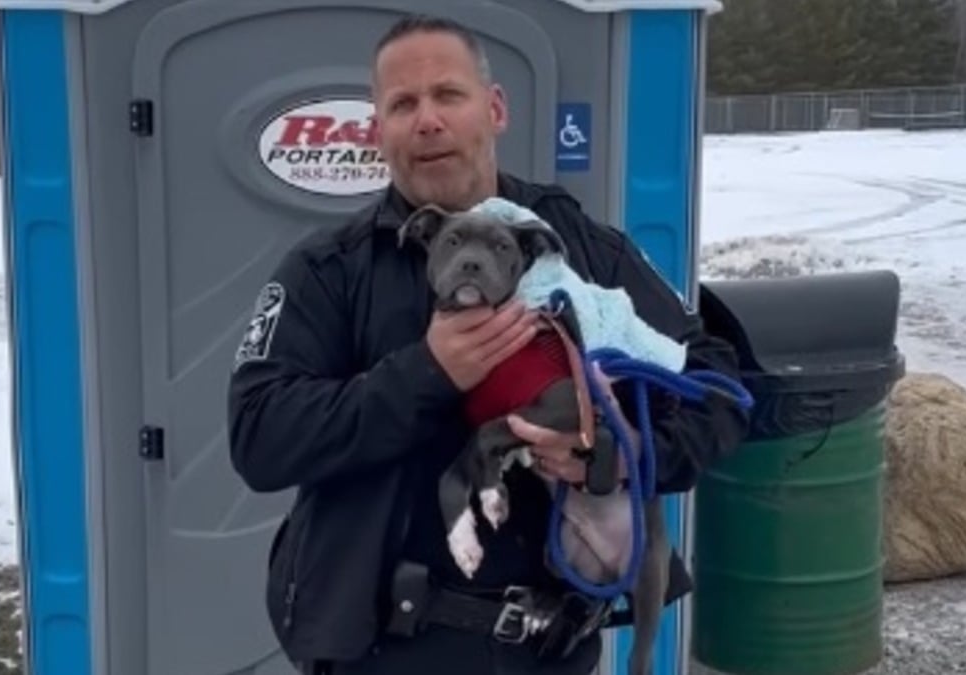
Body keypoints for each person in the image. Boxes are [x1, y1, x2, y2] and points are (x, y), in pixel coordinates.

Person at [227, 13, 749, 675]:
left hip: (552, 648)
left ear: (494, 108)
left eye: (448, 95)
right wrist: (428, 371)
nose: (428, 120)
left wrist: (627, 455)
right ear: (375, 131)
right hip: (386, 651)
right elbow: (259, 435)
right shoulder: (330, 270)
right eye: (403, 104)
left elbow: (718, 385)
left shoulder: (577, 247)